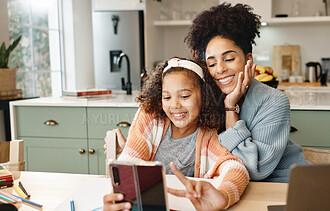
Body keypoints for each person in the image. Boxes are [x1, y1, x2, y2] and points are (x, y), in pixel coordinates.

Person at [184, 3, 309, 183]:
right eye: (211, 64)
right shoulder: (206, 100)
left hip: (285, 187)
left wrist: (230, 108)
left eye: (228, 59)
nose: (220, 69)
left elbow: (254, 169)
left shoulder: (273, 101)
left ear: (248, 59)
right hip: (233, 187)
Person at [103, 58, 249, 211]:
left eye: (185, 96)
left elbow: (236, 168)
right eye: (167, 97)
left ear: (204, 98)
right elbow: (130, 160)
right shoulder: (151, 117)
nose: (175, 105)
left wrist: (224, 196)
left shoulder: (207, 136)